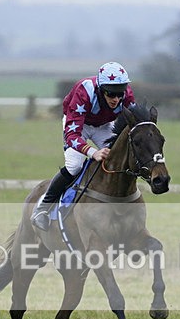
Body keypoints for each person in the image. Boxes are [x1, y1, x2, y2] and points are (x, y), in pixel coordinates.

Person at [31, 61, 135, 231]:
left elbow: (133, 122)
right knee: (75, 165)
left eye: (119, 93)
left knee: (118, 159)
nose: (116, 99)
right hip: (78, 126)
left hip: (103, 126)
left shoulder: (127, 94)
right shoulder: (84, 91)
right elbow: (72, 135)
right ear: (101, 89)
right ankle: (42, 208)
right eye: (110, 94)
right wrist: (93, 152)